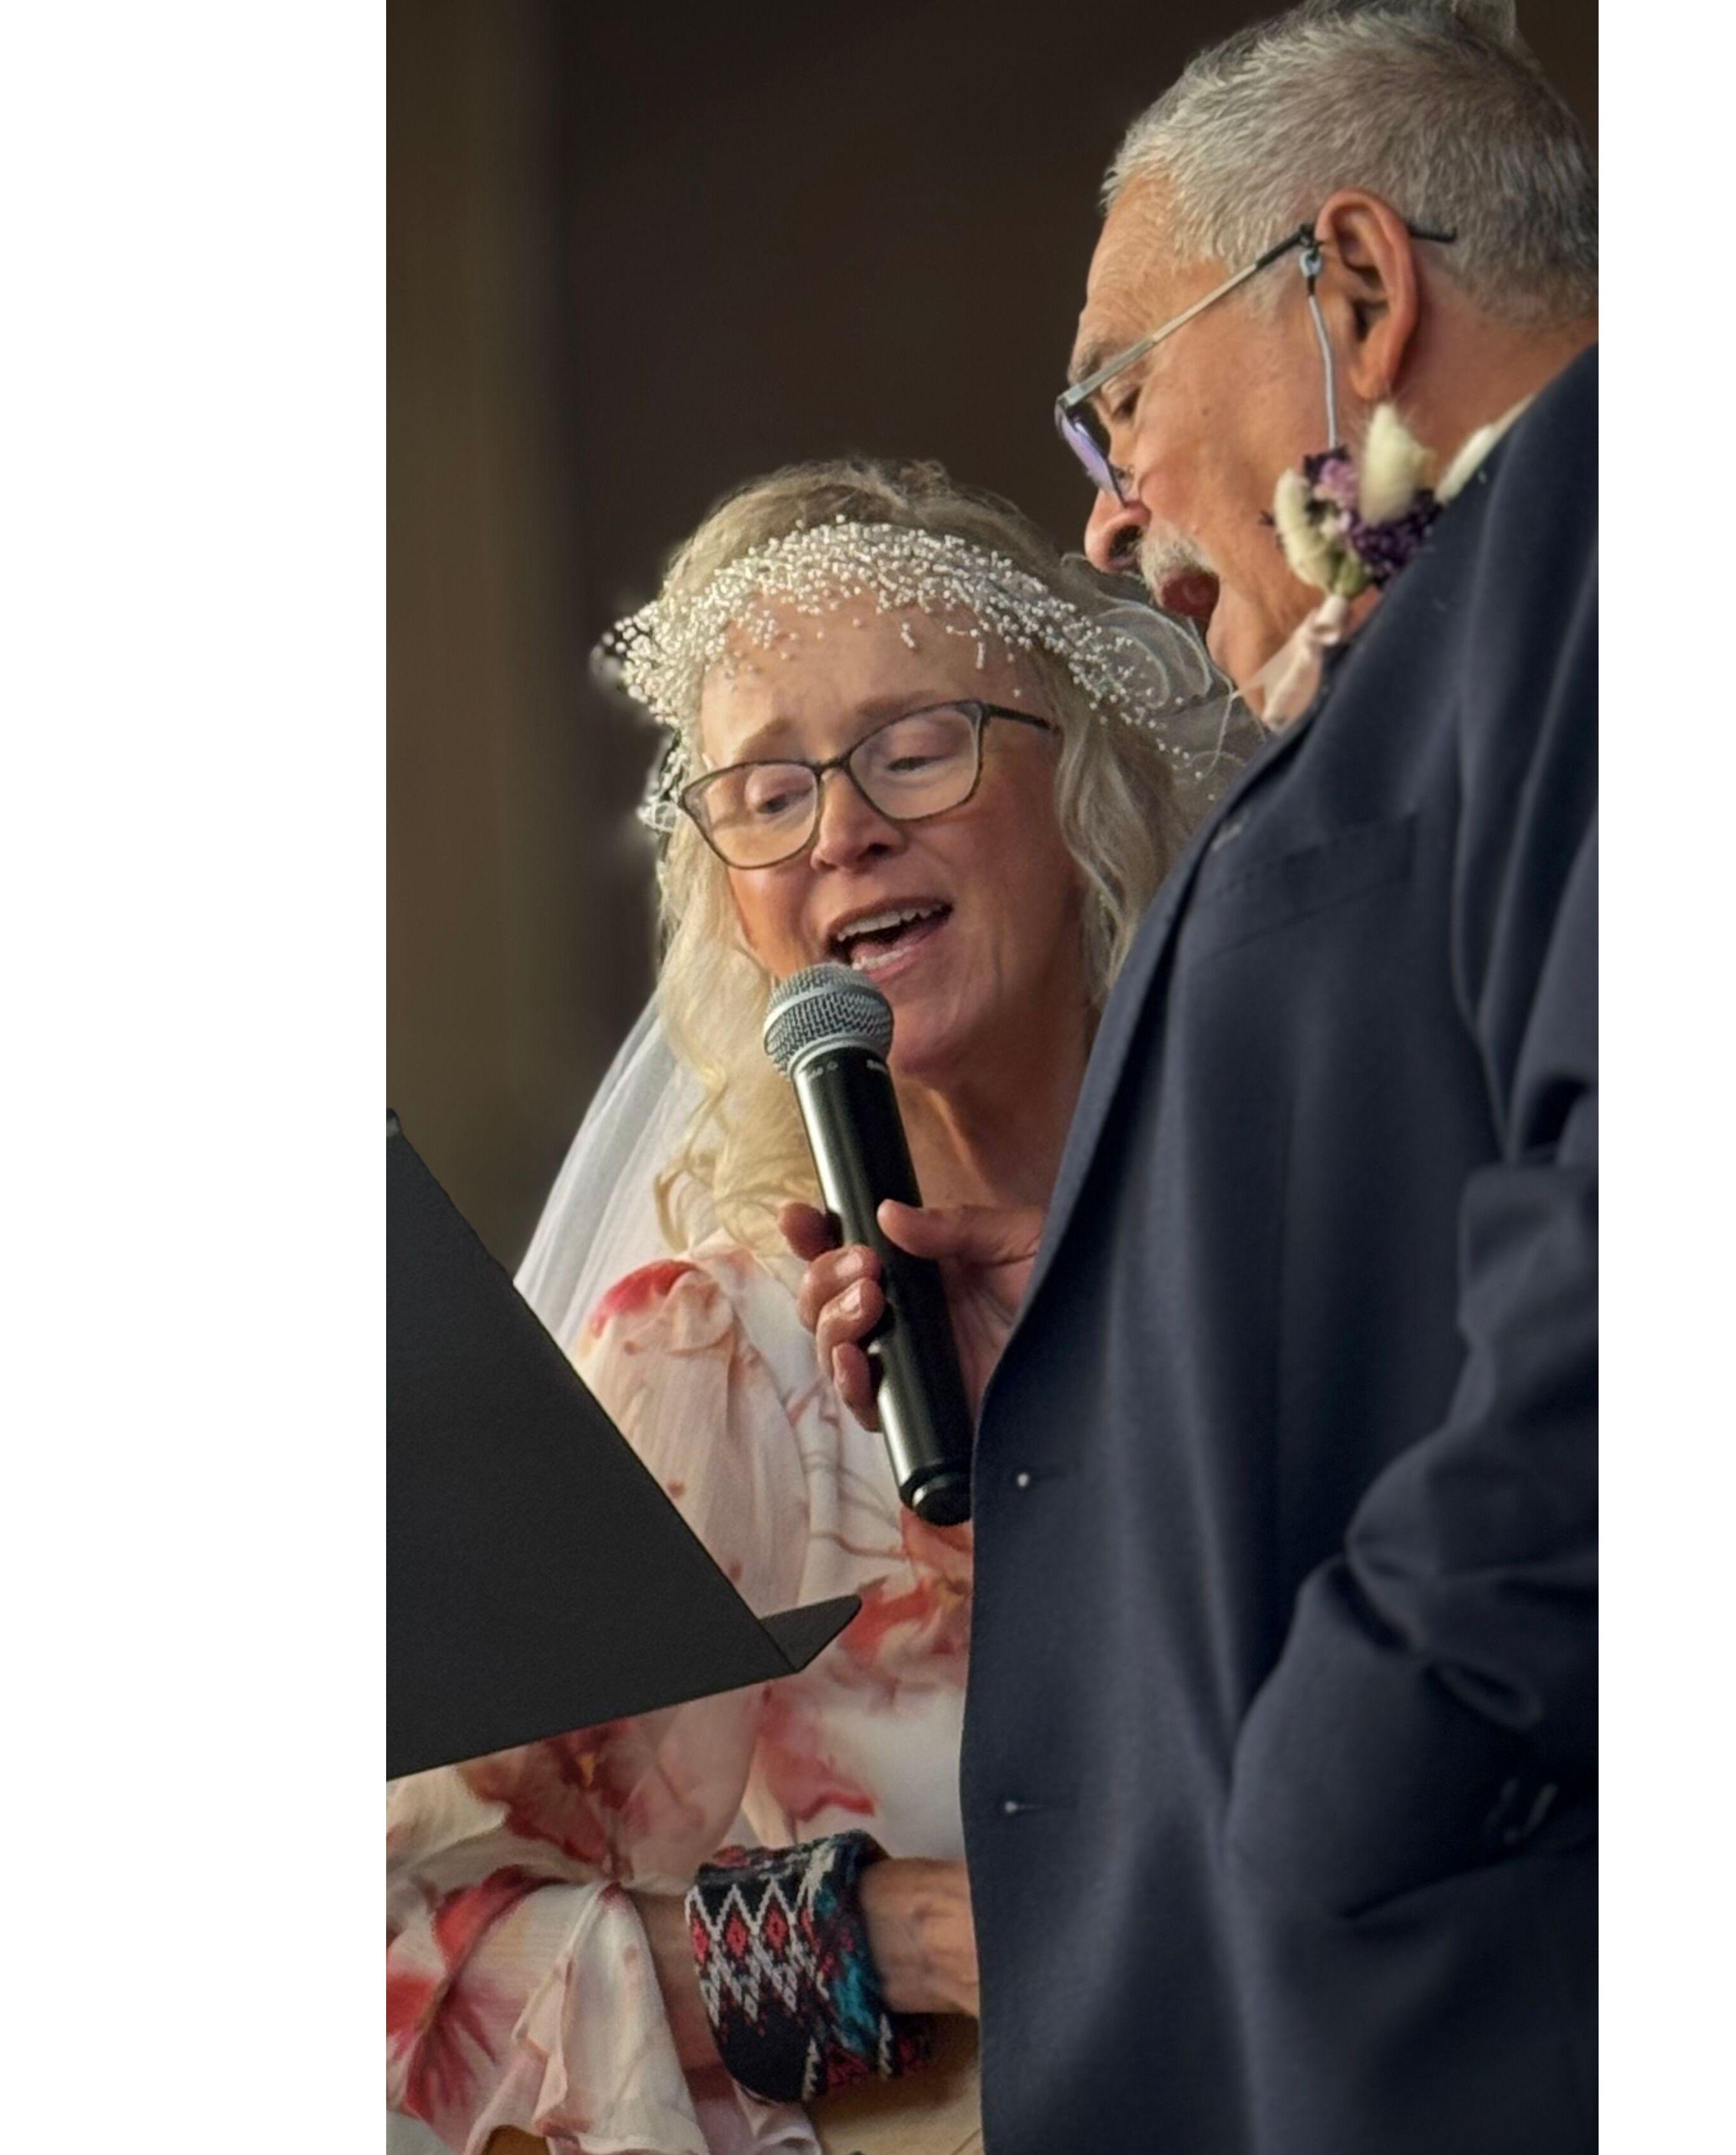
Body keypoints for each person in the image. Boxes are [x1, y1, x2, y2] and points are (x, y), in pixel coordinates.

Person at [800, 4, 1599, 2149]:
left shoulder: (1598, 553)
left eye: (1116, 398)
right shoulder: (1451, 632)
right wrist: (1106, 1303)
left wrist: (1345, 1772)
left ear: (1352, 284)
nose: (1108, 515)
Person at [385, 457, 1249, 2155]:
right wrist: (889, 1937)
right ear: (731, 895)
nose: (844, 823)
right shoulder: (709, 1360)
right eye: (765, 791)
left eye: (915, 744)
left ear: (1078, 790)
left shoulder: (1273, 1275)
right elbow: (407, 1953)